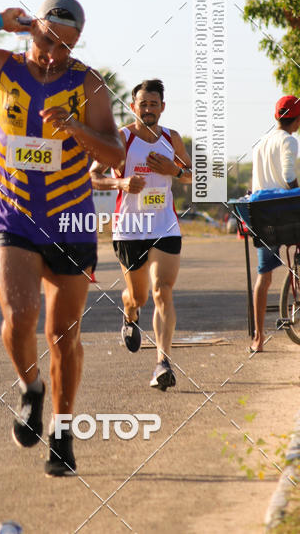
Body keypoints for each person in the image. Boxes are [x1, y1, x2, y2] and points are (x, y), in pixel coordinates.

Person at [0, 0, 124, 476]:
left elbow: (116, 155)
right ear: (31, 29)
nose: (55, 56)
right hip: (12, 216)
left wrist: (76, 128)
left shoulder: (88, 84)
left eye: (67, 48)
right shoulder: (1, 68)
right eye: (48, 41)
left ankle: (62, 430)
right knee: (19, 316)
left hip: (70, 220)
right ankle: (31, 388)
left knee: (63, 335)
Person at [91, 79, 191, 390]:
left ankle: (163, 362)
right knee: (139, 296)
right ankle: (130, 313)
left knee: (162, 291)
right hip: (130, 228)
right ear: (133, 107)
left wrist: (173, 171)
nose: (148, 109)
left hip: (165, 225)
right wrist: (120, 184)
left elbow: (197, 178)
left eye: (153, 104)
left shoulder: (171, 139)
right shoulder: (120, 139)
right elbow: (93, 176)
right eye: (142, 104)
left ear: (163, 107)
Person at [250, 95, 300, 353]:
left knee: (264, 276)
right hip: (287, 214)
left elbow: (256, 185)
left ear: (276, 116)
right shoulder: (289, 140)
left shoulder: (261, 143)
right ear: (298, 120)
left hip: (263, 217)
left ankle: (258, 337)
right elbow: (289, 176)